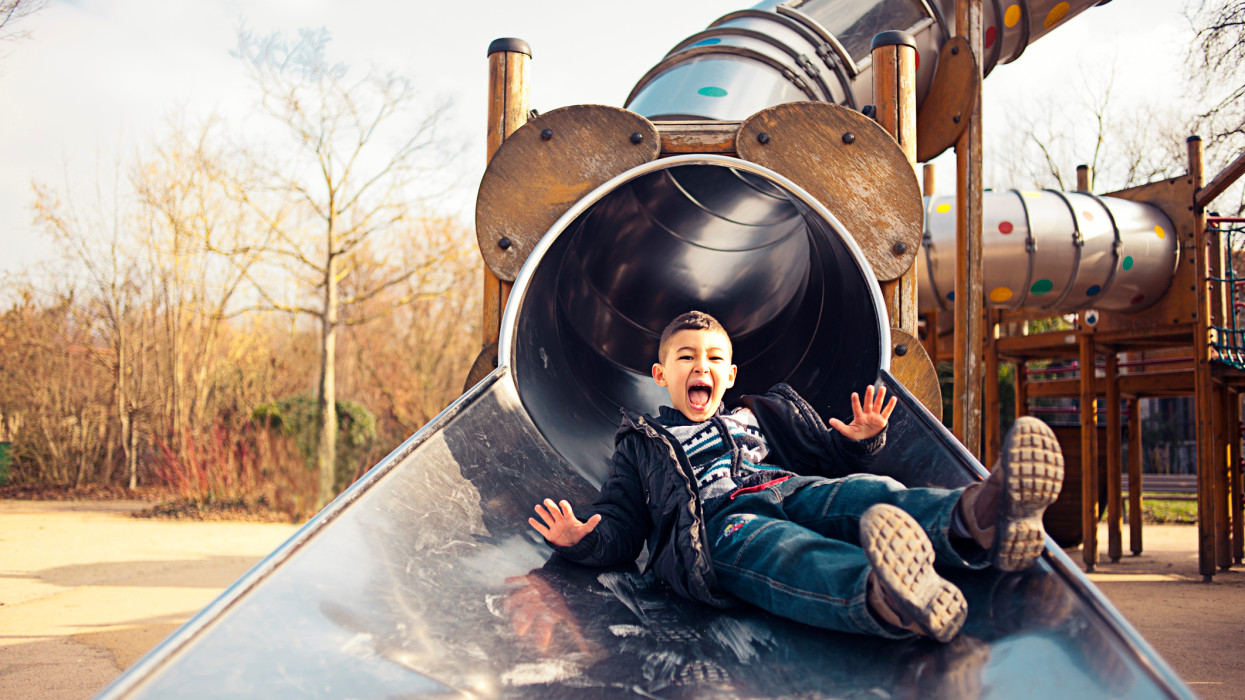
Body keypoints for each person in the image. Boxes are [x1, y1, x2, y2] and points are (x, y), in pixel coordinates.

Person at [528, 310, 1064, 642]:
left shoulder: (758, 415)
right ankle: (888, 596)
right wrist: (587, 538)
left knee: (870, 494)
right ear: (661, 375)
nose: (702, 367)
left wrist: (859, 442)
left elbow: (825, 458)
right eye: (686, 357)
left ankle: (982, 517)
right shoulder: (643, 444)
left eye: (715, 358)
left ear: (731, 376)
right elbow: (623, 518)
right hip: (719, 527)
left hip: (785, 485)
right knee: (788, 553)